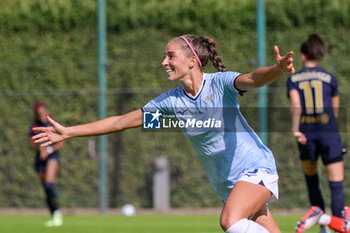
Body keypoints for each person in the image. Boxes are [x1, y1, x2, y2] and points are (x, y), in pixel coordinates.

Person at [32, 34, 295, 233]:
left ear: (192, 61)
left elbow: (254, 79)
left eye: (170, 56)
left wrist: (277, 70)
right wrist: (69, 132)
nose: (164, 62)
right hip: (227, 185)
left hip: (255, 168)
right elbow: (121, 122)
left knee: (229, 220)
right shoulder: (171, 104)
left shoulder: (221, 84)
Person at [286, 34, 348, 233]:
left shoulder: (293, 79)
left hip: (307, 135)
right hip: (329, 134)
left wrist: (296, 129)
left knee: (312, 181)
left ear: (303, 55)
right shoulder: (330, 78)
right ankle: (337, 224)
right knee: (336, 185)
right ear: (319, 55)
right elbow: (335, 111)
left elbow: (296, 105)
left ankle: (322, 226)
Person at [29, 102, 64, 227]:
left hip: (52, 157)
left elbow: (61, 143)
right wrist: (40, 148)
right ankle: (53, 214)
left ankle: (57, 214)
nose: (42, 115)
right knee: (46, 188)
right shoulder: (34, 126)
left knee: (49, 184)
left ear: (47, 111)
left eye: (43, 112)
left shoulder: (52, 124)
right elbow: (31, 143)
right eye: (39, 114)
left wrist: (48, 150)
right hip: (40, 159)